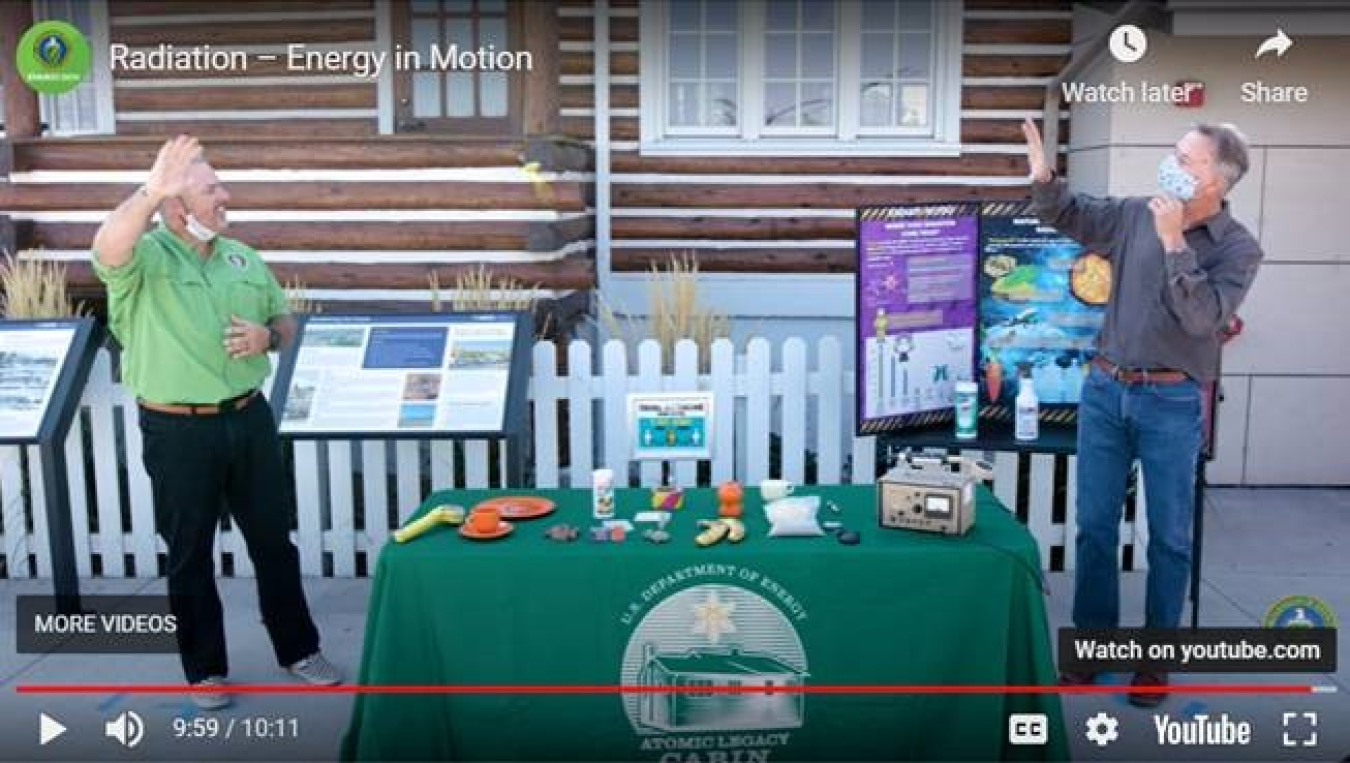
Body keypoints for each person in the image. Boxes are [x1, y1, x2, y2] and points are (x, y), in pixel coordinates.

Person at [91, 135, 341, 710]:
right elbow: (107, 245)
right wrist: (152, 189)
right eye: (211, 190)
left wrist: (267, 337)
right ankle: (204, 670)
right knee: (189, 552)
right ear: (177, 207)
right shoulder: (145, 259)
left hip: (249, 419)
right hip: (178, 431)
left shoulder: (241, 257)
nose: (226, 197)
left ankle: (299, 650)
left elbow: (285, 321)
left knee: (274, 543)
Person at [1024, 118, 1263, 707]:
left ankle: (1155, 661)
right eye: (1173, 152)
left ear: (1215, 177)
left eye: (1186, 158)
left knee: (1171, 539)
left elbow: (1207, 319)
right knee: (1096, 528)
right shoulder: (1135, 213)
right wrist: (1043, 178)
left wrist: (1176, 241)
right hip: (1106, 391)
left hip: (1173, 401)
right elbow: (1073, 213)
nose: (1172, 163)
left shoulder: (1237, 247)